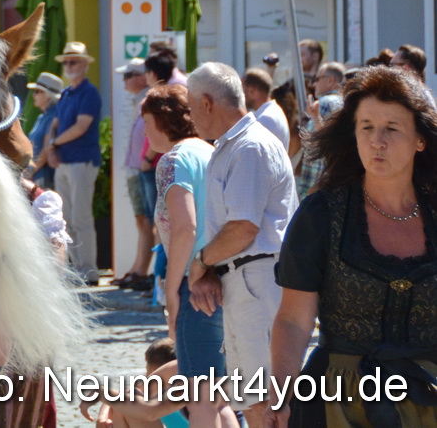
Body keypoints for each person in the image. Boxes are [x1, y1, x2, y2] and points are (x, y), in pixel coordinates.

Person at [268, 66, 437, 428]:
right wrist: (281, 392)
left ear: (420, 139)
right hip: (340, 405)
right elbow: (294, 319)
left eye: (392, 129)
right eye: (367, 128)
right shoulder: (321, 215)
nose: (378, 141)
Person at [186, 63, 297, 428]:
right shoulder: (235, 145)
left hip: (259, 278)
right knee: (254, 399)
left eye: (190, 106)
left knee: (267, 404)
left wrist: (201, 262)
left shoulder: (249, 147)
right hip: (248, 279)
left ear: (206, 102)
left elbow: (243, 229)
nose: (190, 116)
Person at [141, 85, 231, 428]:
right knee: (220, 394)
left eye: (148, 122)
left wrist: (172, 288)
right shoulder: (211, 152)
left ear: (164, 121)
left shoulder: (174, 160)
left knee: (199, 398)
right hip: (226, 277)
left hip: (195, 284)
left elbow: (185, 228)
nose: (145, 131)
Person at [50, 41, 104, 286]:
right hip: (66, 161)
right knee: (67, 220)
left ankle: (89, 271)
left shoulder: (89, 92)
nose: (68, 65)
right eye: (66, 62)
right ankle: (76, 270)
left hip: (82, 160)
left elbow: (81, 127)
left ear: (84, 65)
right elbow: (57, 123)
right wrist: (53, 144)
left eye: (73, 61)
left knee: (81, 218)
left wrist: (53, 144)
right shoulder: (67, 93)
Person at [118, 57, 157, 291]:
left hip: (144, 165)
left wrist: (146, 159)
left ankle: (143, 271)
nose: (124, 80)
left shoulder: (149, 99)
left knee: (149, 220)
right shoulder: (139, 100)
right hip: (137, 165)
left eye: (128, 75)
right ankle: (138, 269)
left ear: (142, 76)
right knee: (141, 219)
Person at [26, 73, 64, 192]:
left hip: (45, 177)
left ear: (48, 96)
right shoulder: (41, 117)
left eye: (37, 91)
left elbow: (47, 149)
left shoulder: (54, 116)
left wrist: (30, 171)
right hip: (36, 175)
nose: (33, 95)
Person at [243, 68, 291, 150]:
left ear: (252, 92)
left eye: (243, 91)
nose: (241, 96)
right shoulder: (272, 112)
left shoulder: (266, 118)